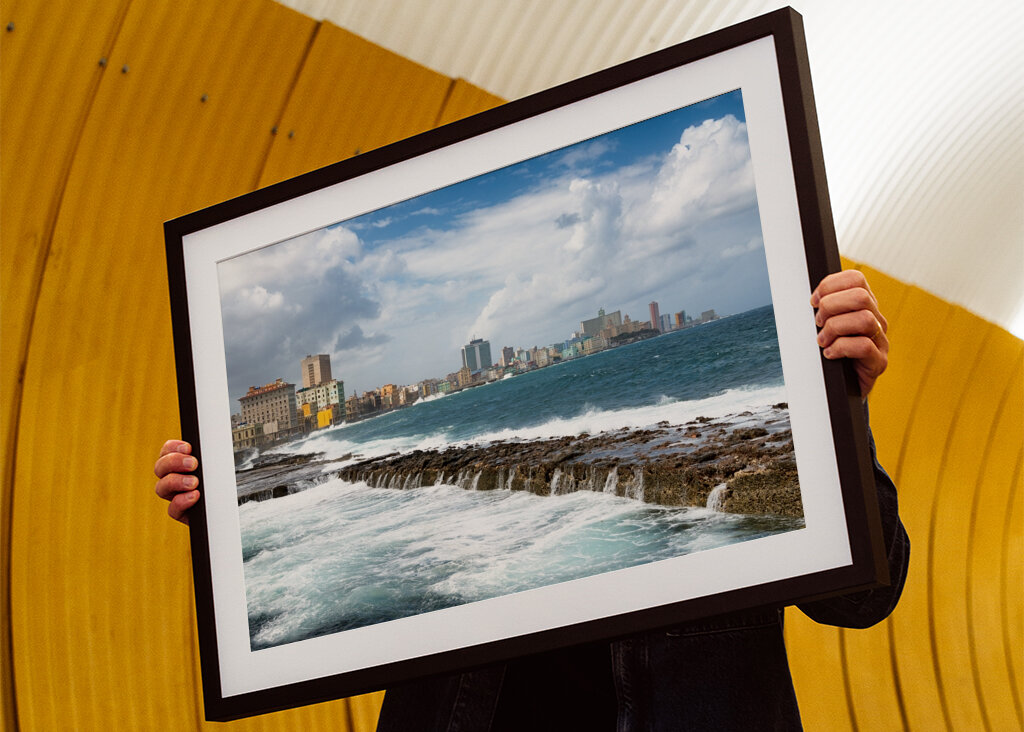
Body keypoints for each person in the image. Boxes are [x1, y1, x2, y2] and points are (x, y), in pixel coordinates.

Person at [154, 270, 908, 731]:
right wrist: (224, 516)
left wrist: (840, 407)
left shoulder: (798, 387)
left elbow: (865, 597)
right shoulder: (427, 540)